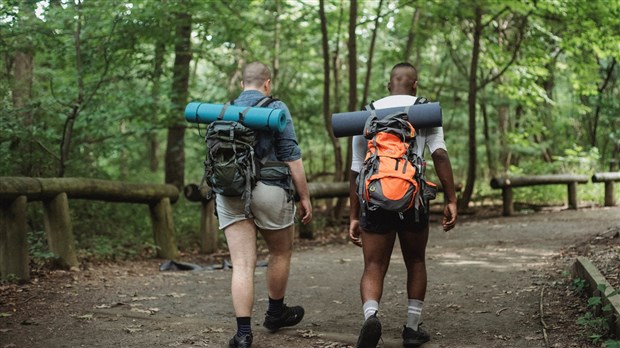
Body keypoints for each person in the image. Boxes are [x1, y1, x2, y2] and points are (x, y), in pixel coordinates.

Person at [348, 62, 458, 348]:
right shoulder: (424, 111)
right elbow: (440, 155)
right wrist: (451, 198)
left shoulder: (367, 113)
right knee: (416, 261)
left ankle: (371, 316)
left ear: (389, 84)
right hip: (413, 200)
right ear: (415, 84)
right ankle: (411, 328)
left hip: (374, 199)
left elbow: (356, 168)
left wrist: (353, 216)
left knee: (373, 264)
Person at [217, 61, 313, 348]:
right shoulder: (276, 108)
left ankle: (244, 335)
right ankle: (275, 313)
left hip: (230, 190)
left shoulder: (224, 110)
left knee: (242, 264)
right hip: (269, 190)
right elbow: (290, 154)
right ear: (267, 84)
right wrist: (304, 196)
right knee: (280, 252)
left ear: (241, 84)